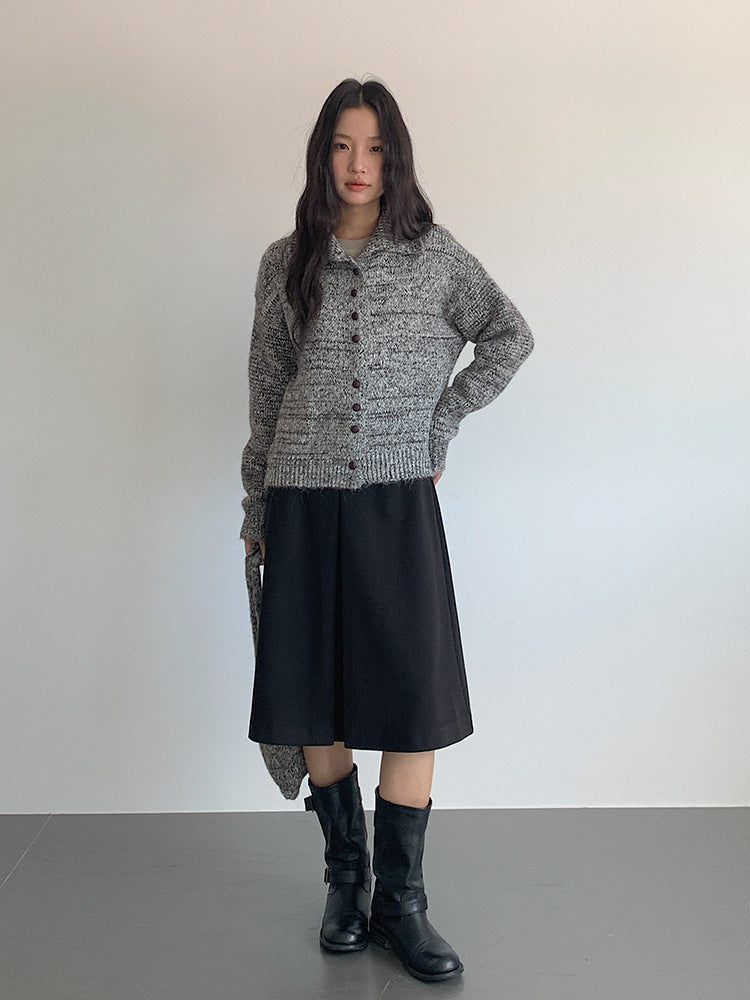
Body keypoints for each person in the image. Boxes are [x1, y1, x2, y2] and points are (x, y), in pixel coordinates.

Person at [240, 77, 533, 983]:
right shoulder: (285, 261)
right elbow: (266, 394)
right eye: (341, 146)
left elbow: (509, 336)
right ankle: (347, 880)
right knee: (312, 693)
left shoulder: (435, 257)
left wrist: (438, 427)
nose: (357, 164)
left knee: (411, 698)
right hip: (300, 497)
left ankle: (402, 903)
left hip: (397, 502)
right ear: (321, 156)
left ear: (394, 156)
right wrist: (256, 507)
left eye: (373, 147)